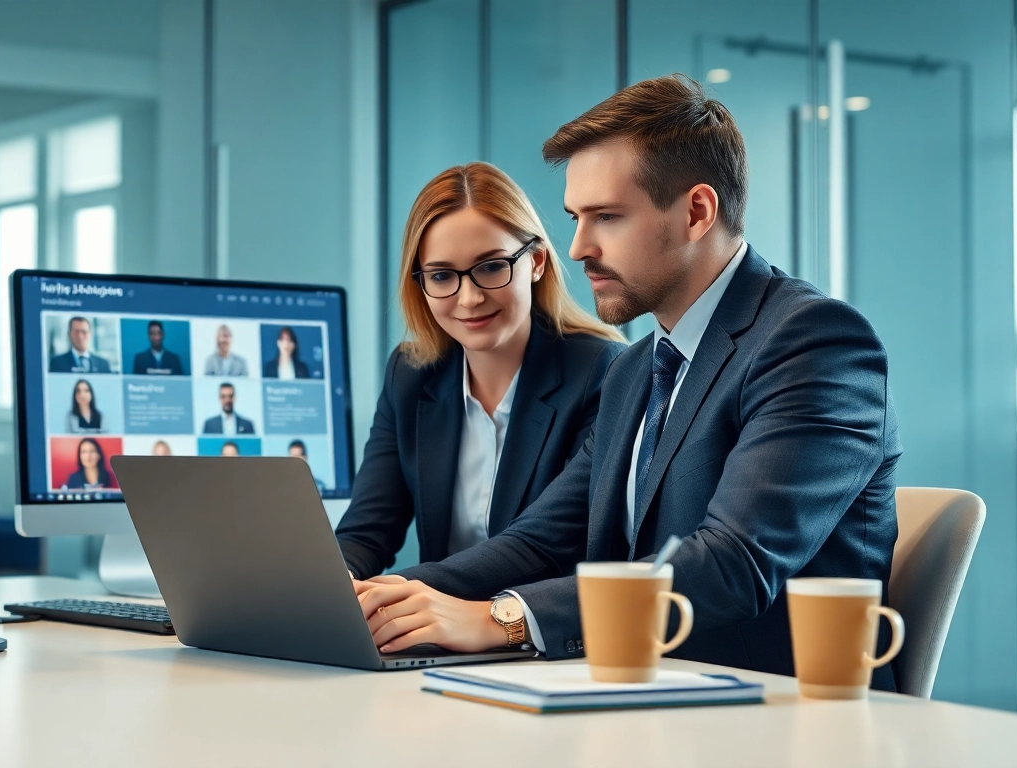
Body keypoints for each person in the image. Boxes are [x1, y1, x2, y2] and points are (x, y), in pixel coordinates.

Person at [355, 75, 902, 691]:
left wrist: (500, 619)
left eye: (606, 217)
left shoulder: (815, 341)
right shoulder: (639, 367)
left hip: (778, 715)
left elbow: (732, 563)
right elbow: (543, 539)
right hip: (644, 700)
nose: (578, 247)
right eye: (575, 217)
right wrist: (386, 597)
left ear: (697, 211)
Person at [334, 162, 626, 580]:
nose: (469, 299)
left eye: (491, 267)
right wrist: (335, 583)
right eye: (441, 275)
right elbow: (365, 533)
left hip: (539, 636)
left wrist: (403, 590)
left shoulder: (602, 371)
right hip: (438, 635)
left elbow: (547, 547)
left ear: (536, 261)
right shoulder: (411, 374)